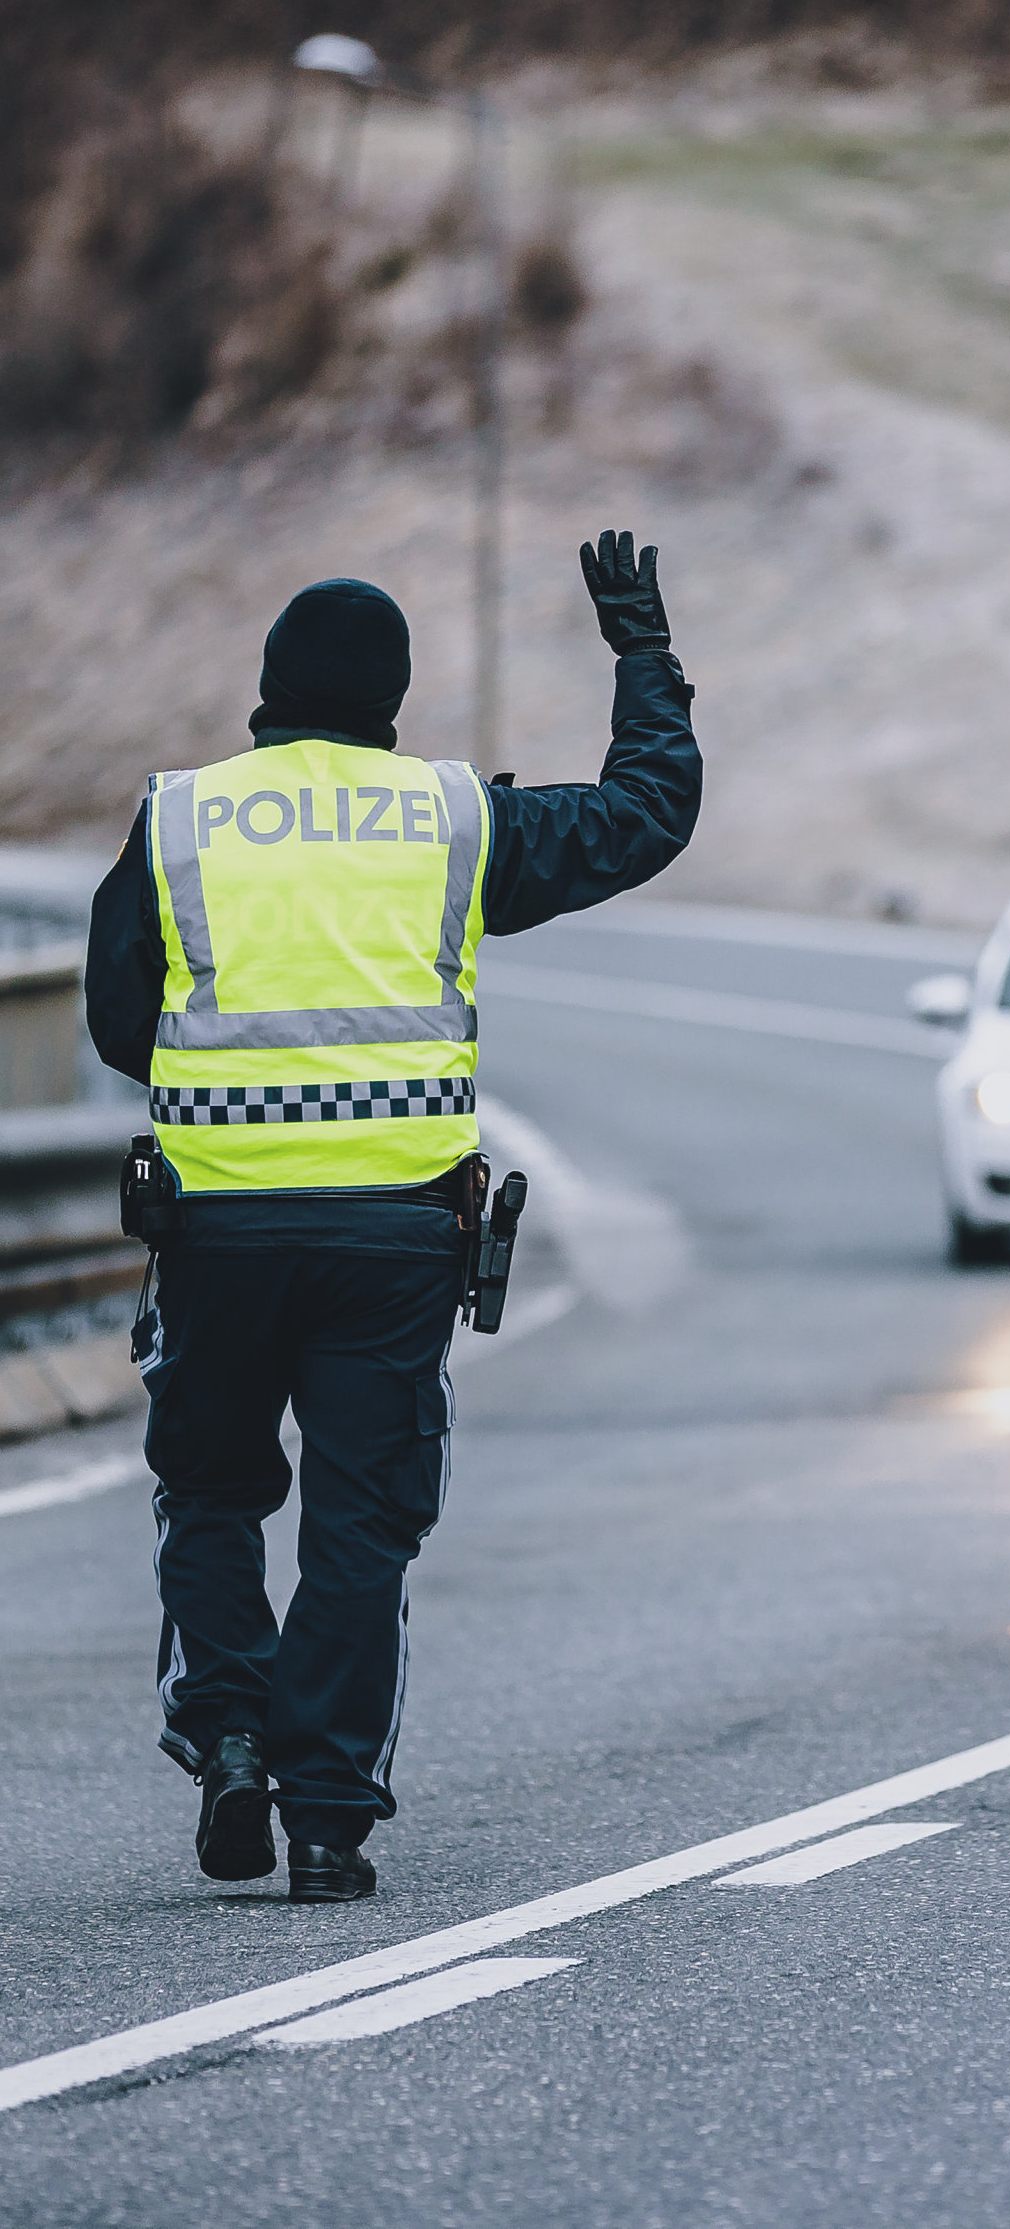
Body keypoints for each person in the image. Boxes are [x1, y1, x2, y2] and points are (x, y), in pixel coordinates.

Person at [84, 530, 701, 1902]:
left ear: (268, 687)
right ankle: (324, 1821)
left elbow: (120, 1018)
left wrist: (235, 1096)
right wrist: (644, 660)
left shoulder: (183, 815)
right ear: (394, 698)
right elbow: (640, 817)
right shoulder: (451, 822)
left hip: (222, 1236)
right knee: (362, 1528)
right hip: (396, 1243)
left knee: (211, 1494)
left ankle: (230, 1733)